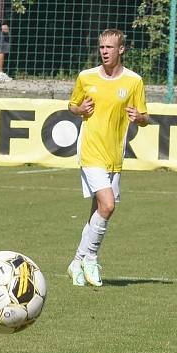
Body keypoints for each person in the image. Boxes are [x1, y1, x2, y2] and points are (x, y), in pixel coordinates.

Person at [65, 30, 148, 288]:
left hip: (114, 155)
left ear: (121, 49)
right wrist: (79, 109)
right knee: (108, 205)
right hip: (90, 151)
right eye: (102, 47)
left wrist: (140, 118)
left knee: (97, 211)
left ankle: (76, 262)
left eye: (110, 47)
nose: (104, 51)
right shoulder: (86, 77)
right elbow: (72, 105)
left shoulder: (134, 81)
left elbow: (145, 117)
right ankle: (90, 257)